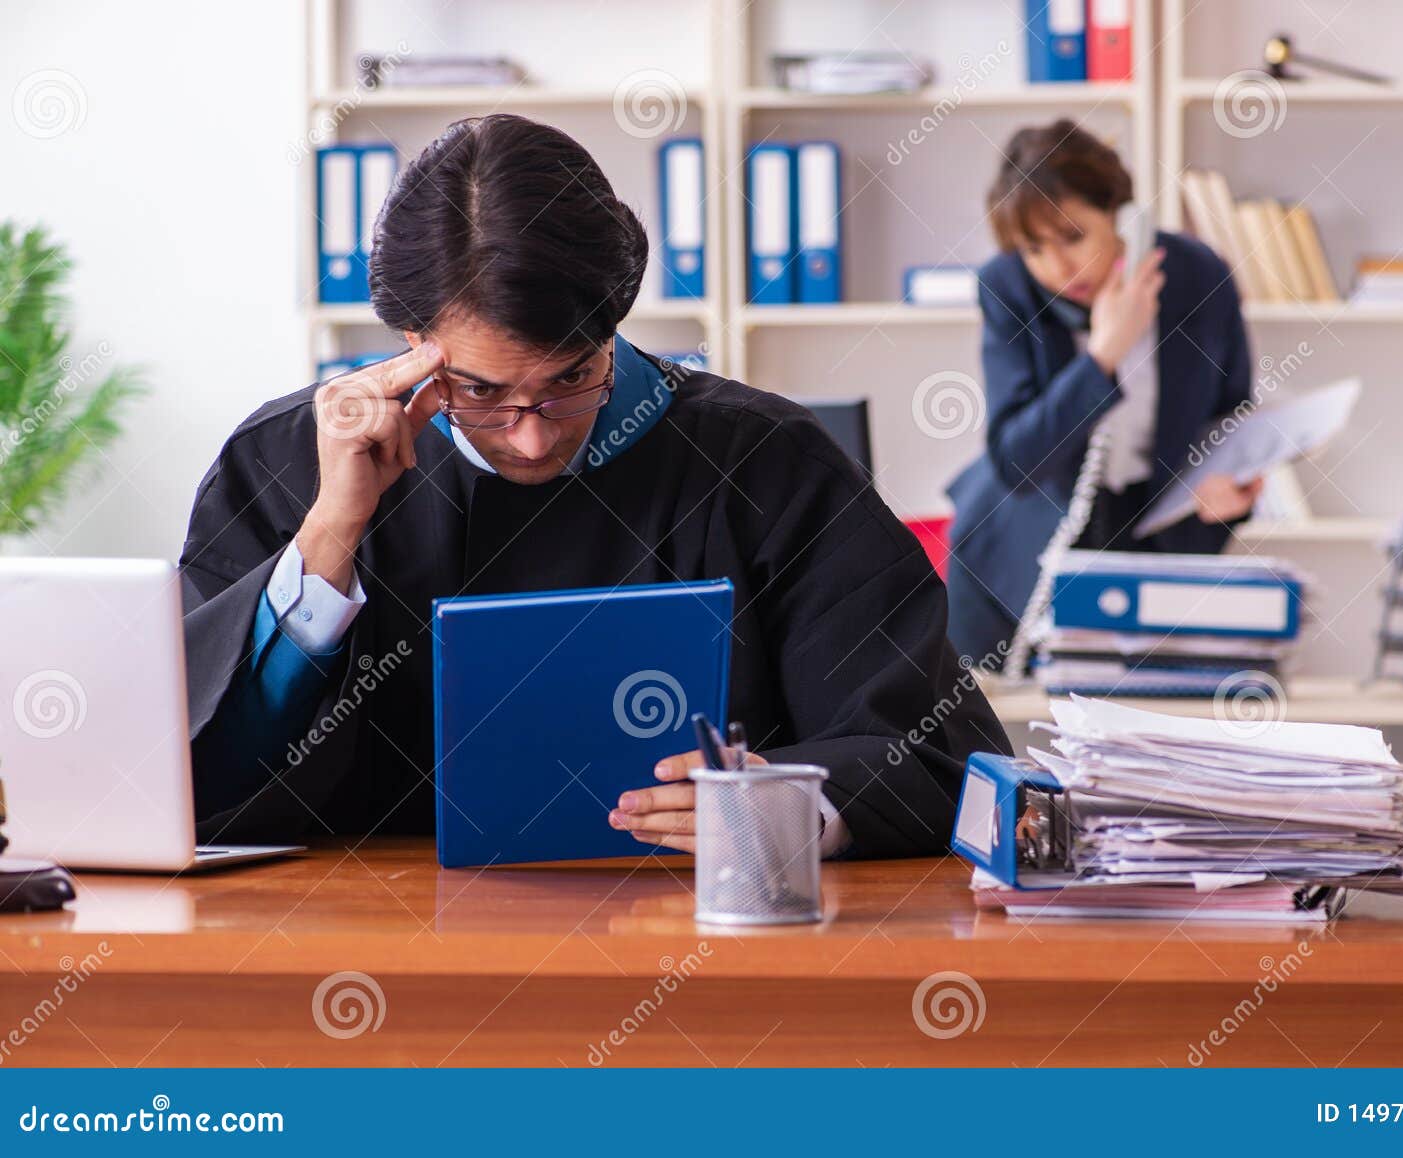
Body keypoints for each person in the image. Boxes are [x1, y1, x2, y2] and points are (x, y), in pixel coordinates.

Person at [180, 114, 1008, 860]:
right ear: (411, 338)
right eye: (480, 392)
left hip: (698, 941)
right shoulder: (285, 461)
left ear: (614, 320)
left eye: (572, 376)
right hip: (365, 947)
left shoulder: (769, 463)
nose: (532, 434)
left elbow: (934, 756)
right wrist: (329, 538)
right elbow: (192, 771)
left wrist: (785, 801)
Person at [946, 119, 1262, 661]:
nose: (1058, 268)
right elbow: (1017, 462)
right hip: (1018, 562)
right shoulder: (1007, 287)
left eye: (1072, 237)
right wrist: (1104, 353)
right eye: (1034, 249)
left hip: (1158, 548)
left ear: (1122, 216)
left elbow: (1232, 414)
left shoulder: (1200, 276)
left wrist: (1231, 486)